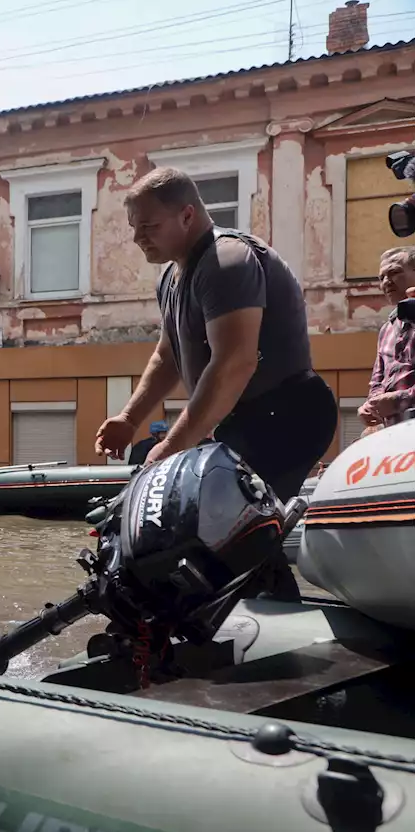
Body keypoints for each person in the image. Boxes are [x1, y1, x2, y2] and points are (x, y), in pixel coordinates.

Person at [97, 167, 338, 601]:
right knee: (215, 526)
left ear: (187, 216)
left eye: (149, 227)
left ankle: (273, 624)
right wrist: (129, 418)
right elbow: (168, 355)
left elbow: (234, 363)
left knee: (230, 525)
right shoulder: (171, 277)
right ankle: (253, 615)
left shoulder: (227, 261)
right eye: (135, 229)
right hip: (244, 419)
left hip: (287, 413)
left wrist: (173, 445)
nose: (138, 239)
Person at [358, 246, 416, 438]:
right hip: (394, 442)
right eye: (381, 277)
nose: (386, 282)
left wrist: (400, 400)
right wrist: (371, 405)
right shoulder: (387, 329)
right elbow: (377, 381)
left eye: (394, 273)